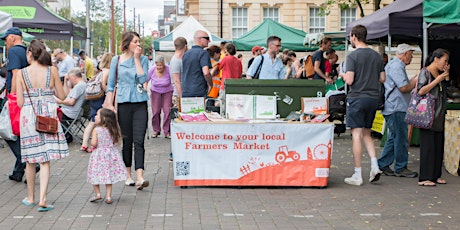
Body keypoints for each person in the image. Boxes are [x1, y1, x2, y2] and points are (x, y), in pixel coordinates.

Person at [16, 39, 68, 212]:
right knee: (45, 160)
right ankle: (43, 199)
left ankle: (30, 197)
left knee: (30, 159)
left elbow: (20, 102)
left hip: (29, 116)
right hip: (47, 114)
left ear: (30, 53)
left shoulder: (21, 73)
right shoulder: (52, 70)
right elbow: (61, 95)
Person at [103, 31, 150, 190]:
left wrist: (137, 59)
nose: (138, 44)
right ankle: (127, 175)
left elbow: (143, 79)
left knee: (139, 140)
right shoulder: (116, 60)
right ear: (127, 43)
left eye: (139, 41)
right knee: (127, 140)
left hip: (140, 102)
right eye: (135, 42)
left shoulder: (143, 59)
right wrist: (109, 102)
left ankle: (140, 176)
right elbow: (110, 85)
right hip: (123, 102)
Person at [343, 25, 385, 186]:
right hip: (373, 99)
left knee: (356, 135)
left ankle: (357, 174)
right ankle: (375, 166)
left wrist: (343, 75)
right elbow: (383, 78)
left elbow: (350, 80)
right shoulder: (377, 56)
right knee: (367, 133)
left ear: (354, 36)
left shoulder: (353, 57)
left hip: (357, 98)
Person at [1, 27, 35, 182]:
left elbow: (15, 74)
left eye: (6, 38)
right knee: (19, 131)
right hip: (28, 94)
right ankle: (19, 171)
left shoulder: (14, 51)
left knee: (7, 130)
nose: (5, 42)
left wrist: (12, 97)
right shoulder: (27, 51)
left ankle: (26, 160)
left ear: (13, 38)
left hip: (16, 95)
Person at [378, 44, 418, 178]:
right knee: (400, 137)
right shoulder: (396, 66)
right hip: (396, 106)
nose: (411, 58)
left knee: (394, 136)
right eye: (411, 55)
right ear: (405, 54)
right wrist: (414, 82)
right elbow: (404, 88)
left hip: (393, 106)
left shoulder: (393, 65)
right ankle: (401, 166)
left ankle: (383, 164)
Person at [417, 48, 450, 187]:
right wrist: (438, 79)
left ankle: (436, 175)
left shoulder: (440, 73)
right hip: (428, 115)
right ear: (436, 59)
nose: (446, 63)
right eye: (445, 60)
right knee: (428, 147)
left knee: (438, 146)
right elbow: (421, 90)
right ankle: (424, 177)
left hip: (439, 115)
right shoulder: (426, 72)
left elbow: (444, 90)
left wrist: (445, 76)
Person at [87, 108, 127, 204]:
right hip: (109, 155)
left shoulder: (96, 130)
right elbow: (113, 141)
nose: (95, 116)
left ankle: (98, 194)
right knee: (108, 175)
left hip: (98, 155)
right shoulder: (111, 130)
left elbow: (94, 143)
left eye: (97, 115)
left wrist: (91, 145)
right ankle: (108, 196)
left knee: (95, 175)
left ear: (103, 118)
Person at [80, 53, 114, 152]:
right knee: (99, 121)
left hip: (93, 98)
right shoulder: (108, 72)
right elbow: (103, 85)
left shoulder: (99, 71)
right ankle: (96, 143)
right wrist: (109, 92)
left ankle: (84, 143)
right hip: (101, 98)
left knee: (92, 121)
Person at [55, 68, 87, 143]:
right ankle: (67, 134)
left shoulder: (79, 87)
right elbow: (67, 95)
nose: (69, 80)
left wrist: (60, 101)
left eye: (69, 79)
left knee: (52, 113)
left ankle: (64, 135)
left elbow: (71, 102)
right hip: (74, 112)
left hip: (70, 113)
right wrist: (66, 82)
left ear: (73, 77)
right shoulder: (82, 85)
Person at [148, 56, 173, 139]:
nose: (159, 67)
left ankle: (167, 131)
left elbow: (174, 80)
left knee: (167, 111)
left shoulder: (168, 69)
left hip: (167, 91)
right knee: (155, 111)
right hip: (155, 92)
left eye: (161, 65)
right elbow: (145, 80)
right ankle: (156, 130)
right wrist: (144, 88)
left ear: (164, 64)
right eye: (158, 65)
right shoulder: (152, 70)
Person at [181, 30, 212, 97]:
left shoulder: (186, 54)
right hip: (198, 91)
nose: (209, 41)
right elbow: (206, 72)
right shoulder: (203, 53)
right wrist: (210, 84)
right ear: (199, 39)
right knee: (198, 108)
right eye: (207, 38)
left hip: (186, 91)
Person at [169, 37, 187, 107]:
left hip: (180, 94)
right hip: (178, 95)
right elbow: (176, 80)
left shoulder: (179, 59)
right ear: (185, 46)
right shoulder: (175, 61)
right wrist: (182, 97)